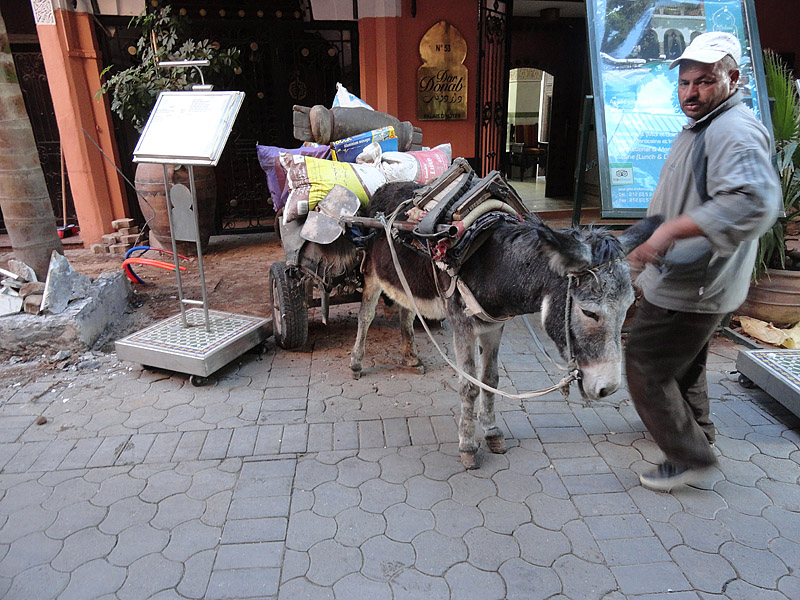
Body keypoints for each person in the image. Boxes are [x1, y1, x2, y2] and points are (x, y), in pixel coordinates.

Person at [624, 31, 781, 491]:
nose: (691, 93)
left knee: (644, 364)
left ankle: (687, 455)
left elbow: (753, 201)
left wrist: (671, 232)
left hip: (694, 282)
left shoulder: (734, 129)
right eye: (684, 83)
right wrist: (641, 239)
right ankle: (697, 434)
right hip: (692, 278)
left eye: (705, 81)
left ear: (732, 78)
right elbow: (681, 199)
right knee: (686, 363)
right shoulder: (705, 125)